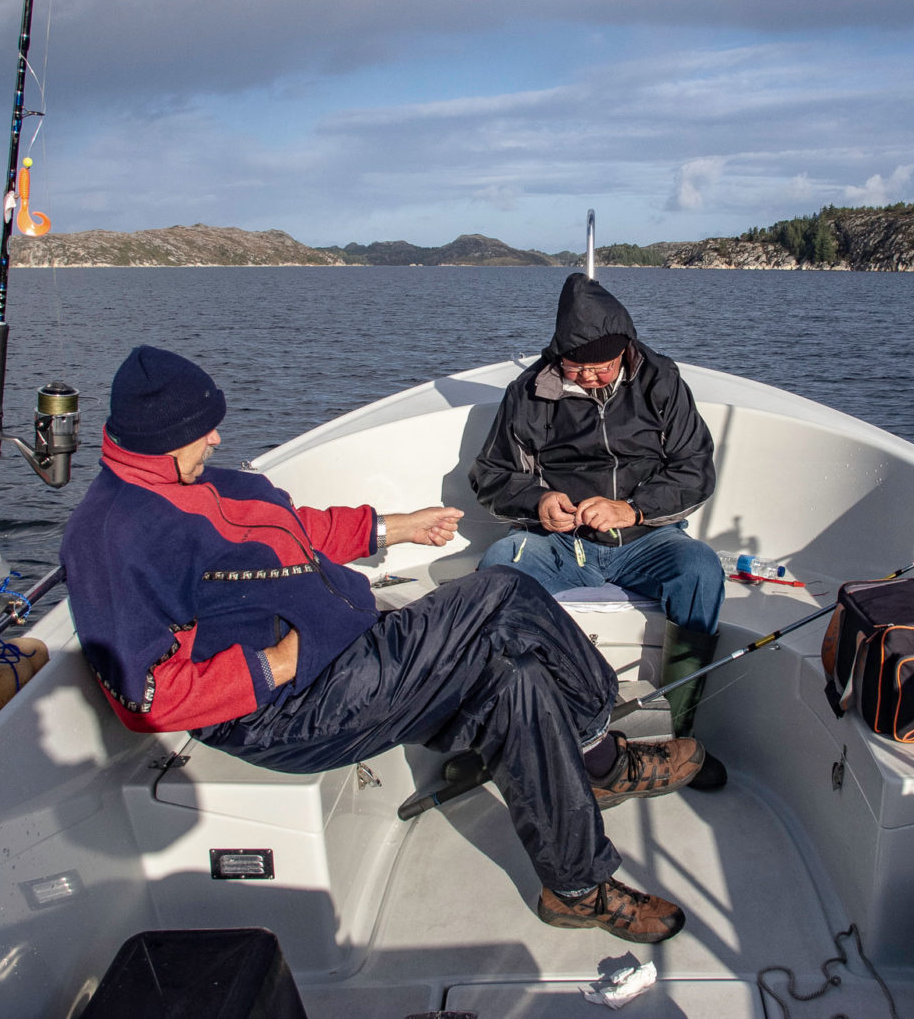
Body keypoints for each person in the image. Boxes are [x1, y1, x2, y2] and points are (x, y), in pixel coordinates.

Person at [60, 345, 706, 943]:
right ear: (164, 439)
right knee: (500, 592)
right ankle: (599, 753)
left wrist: (394, 527)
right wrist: (275, 663)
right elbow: (145, 697)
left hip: (348, 650)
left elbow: (293, 528)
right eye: (204, 428)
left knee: (515, 679)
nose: (217, 437)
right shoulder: (112, 537)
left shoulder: (199, 482)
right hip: (292, 707)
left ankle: (575, 887)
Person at [469, 273, 727, 759]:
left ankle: (679, 734)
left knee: (700, 569)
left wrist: (633, 508)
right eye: (576, 368)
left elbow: (695, 470)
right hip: (559, 544)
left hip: (647, 538)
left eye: (601, 368)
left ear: (624, 352)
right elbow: (492, 473)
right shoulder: (529, 391)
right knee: (499, 568)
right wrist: (538, 502)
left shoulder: (661, 381)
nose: (588, 377)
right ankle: (501, 732)